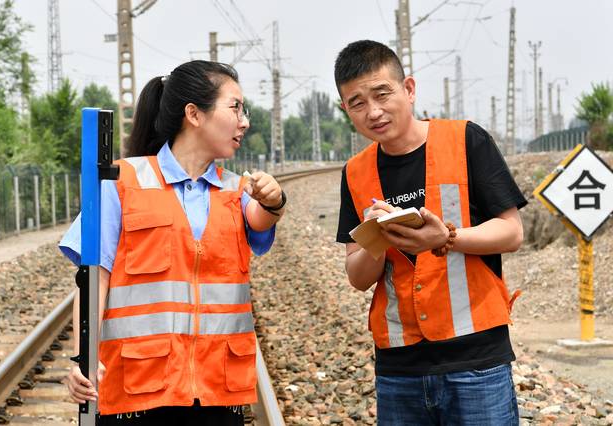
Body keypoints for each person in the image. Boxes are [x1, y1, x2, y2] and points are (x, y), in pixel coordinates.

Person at [59, 60, 287, 425]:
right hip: (138, 391)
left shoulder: (236, 190)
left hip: (216, 395)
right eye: (235, 107)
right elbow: (93, 277)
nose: (244, 121)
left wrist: (275, 199)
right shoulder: (122, 182)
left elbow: (262, 217)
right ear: (194, 114)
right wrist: (82, 358)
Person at [334, 40, 527, 425]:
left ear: (408, 88)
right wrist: (376, 237)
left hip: (475, 360)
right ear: (345, 110)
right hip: (399, 367)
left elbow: (512, 232)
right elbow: (357, 277)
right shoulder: (355, 173)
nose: (373, 111)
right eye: (357, 103)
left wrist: (446, 239)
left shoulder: (466, 140)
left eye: (382, 94)